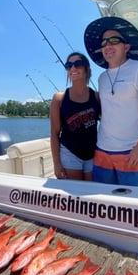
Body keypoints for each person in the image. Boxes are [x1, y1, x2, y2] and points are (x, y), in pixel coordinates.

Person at [84, 16, 138, 187]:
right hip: (102, 150)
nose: (108, 46)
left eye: (114, 41)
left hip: (130, 151)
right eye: (104, 43)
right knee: (103, 201)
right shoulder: (102, 77)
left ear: (126, 47)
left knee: (131, 205)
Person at [50, 52, 101, 181]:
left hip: (92, 154)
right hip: (69, 153)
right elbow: (54, 133)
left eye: (77, 64)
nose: (73, 68)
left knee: (91, 194)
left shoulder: (96, 97)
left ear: (87, 69)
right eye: (69, 65)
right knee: (75, 195)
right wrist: (57, 164)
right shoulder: (59, 98)